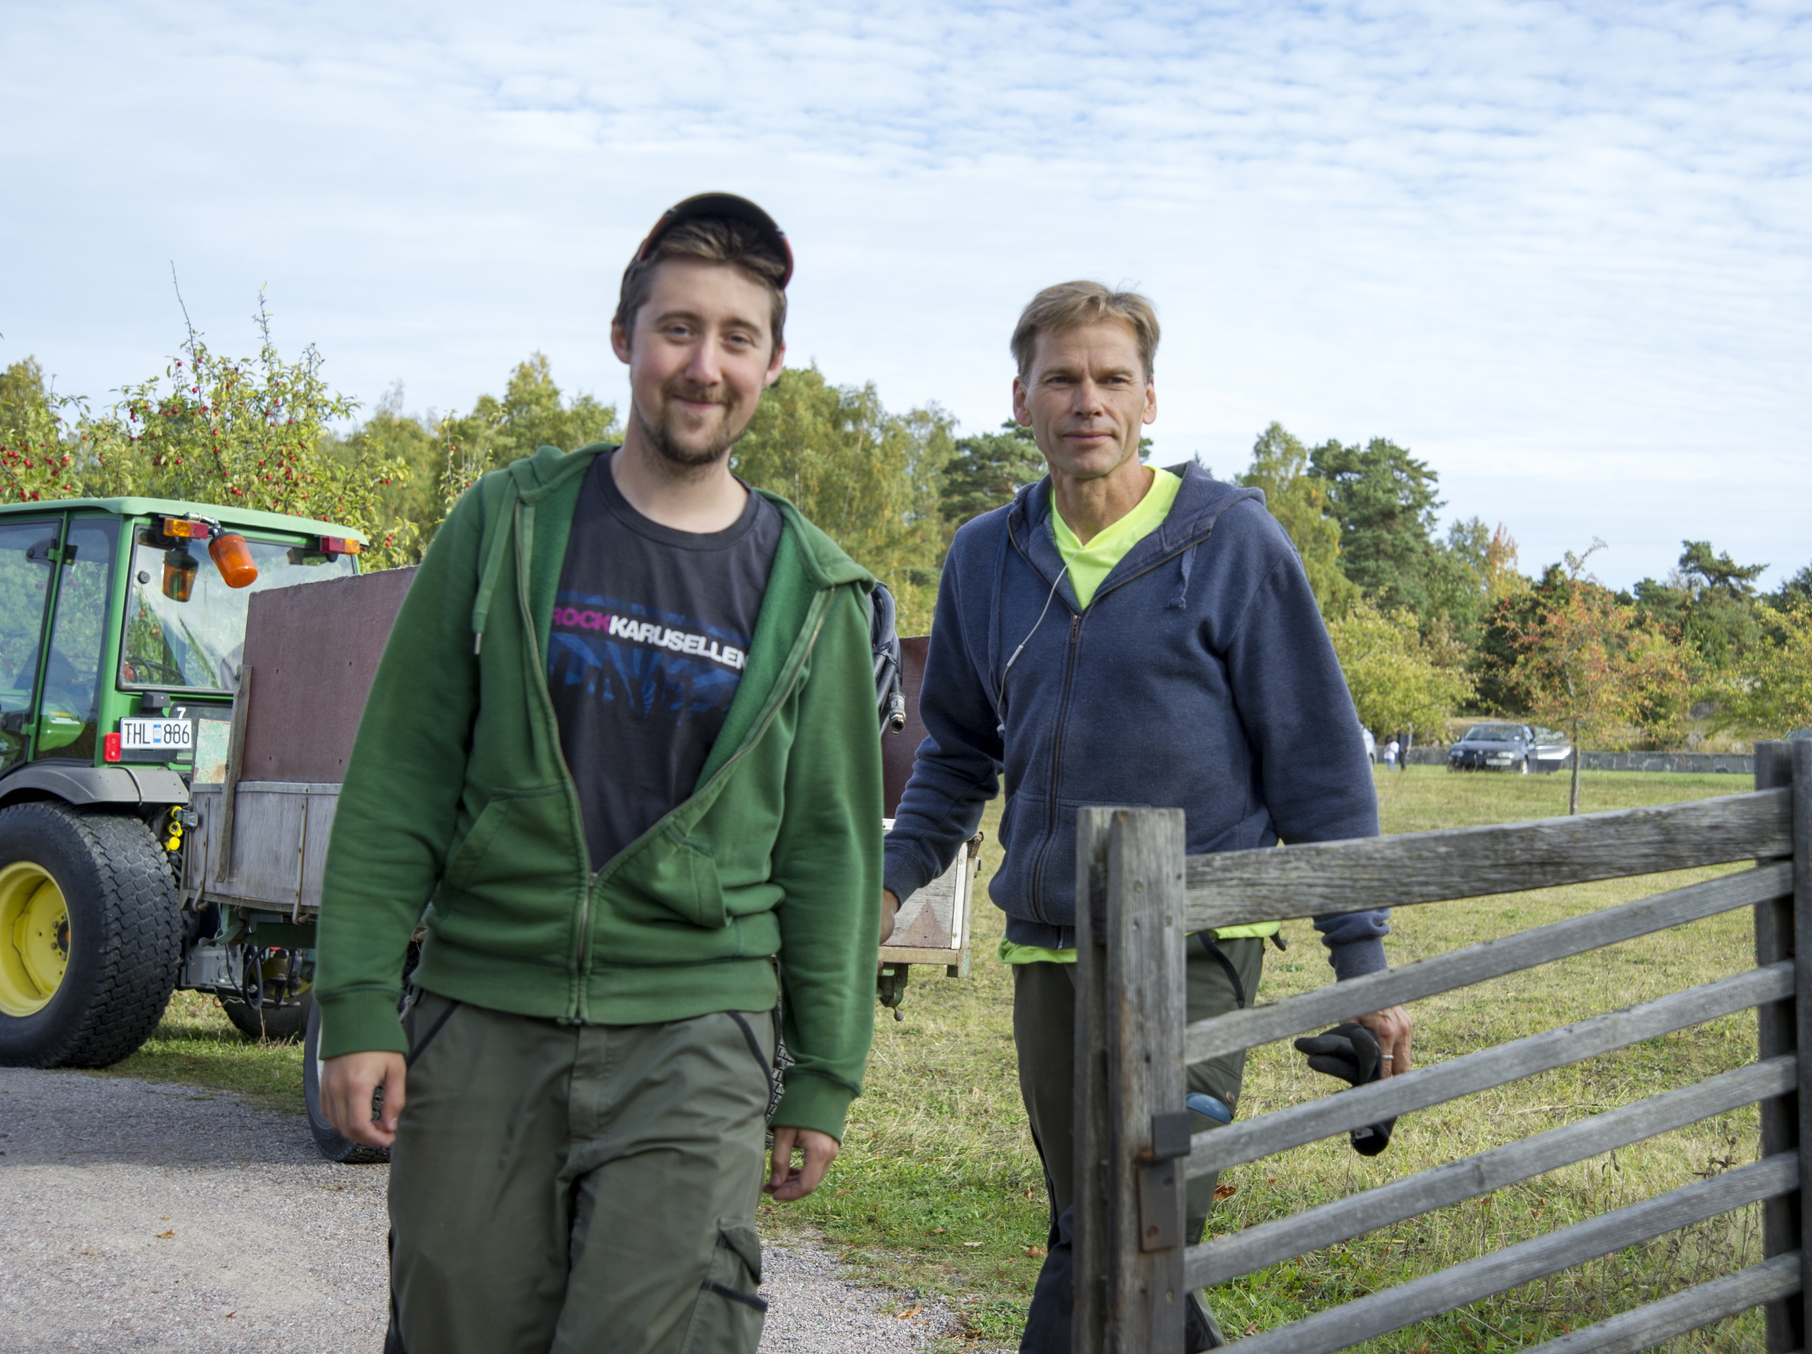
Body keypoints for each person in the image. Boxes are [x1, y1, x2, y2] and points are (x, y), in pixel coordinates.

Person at [312, 193, 883, 1354]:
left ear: (773, 363)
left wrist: (824, 1072)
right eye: (678, 328)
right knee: (452, 1321)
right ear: (625, 337)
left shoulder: (815, 593)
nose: (703, 364)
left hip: (696, 1033)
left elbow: (829, 844)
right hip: (483, 1013)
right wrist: (360, 1001)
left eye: (736, 337)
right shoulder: (508, 524)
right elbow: (401, 775)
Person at [881, 281, 1415, 1352]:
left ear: (1150, 399)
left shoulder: (1231, 545)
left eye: (1112, 378)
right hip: (1052, 951)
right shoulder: (987, 557)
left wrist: (1368, 970)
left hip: (1200, 946)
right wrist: (889, 885)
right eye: (1063, 378)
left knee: (1140, 1211)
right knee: (1110, 1238)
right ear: (1020, 398)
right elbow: (956, 753)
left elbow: (1316, 764)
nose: (1089, 400)